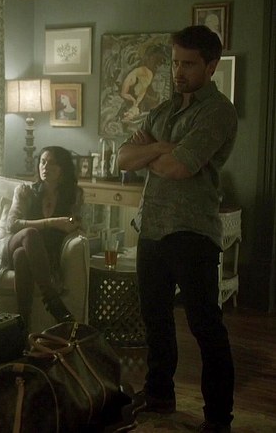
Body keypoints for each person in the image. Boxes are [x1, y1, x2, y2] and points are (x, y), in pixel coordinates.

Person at [117, 25, 236, 433]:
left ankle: (218, 418)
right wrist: (161, 147)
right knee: (155, 320)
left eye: (188, 64)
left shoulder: (217, 112)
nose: (178, 72)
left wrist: (153, 153)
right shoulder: (161, 112)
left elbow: (178, 167)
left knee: (205, 327)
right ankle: (159, 396)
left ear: (211, 66)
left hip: (193, 232)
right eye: (175, 63)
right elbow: (122, 159)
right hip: (152, 227)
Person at [0, 146, 83, 325]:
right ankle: (52, 300)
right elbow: (12, 224)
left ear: (63, 169)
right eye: (42, 162)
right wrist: (52, 222)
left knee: (22, 256)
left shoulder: (73, 195)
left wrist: (73, 224)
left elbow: (77, 223)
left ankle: (22, 324)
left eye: (52, 163)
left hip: (40, 254)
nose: (45, 167)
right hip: (13, 243)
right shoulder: (25, 191)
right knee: (30, 234)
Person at [117, 44, 167, 124]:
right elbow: (123, 93)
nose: (157, 65)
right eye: (155, 60)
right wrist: (134, 102)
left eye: (159, 62)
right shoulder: (135, 74)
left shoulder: (150, 75)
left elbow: (143, 91)